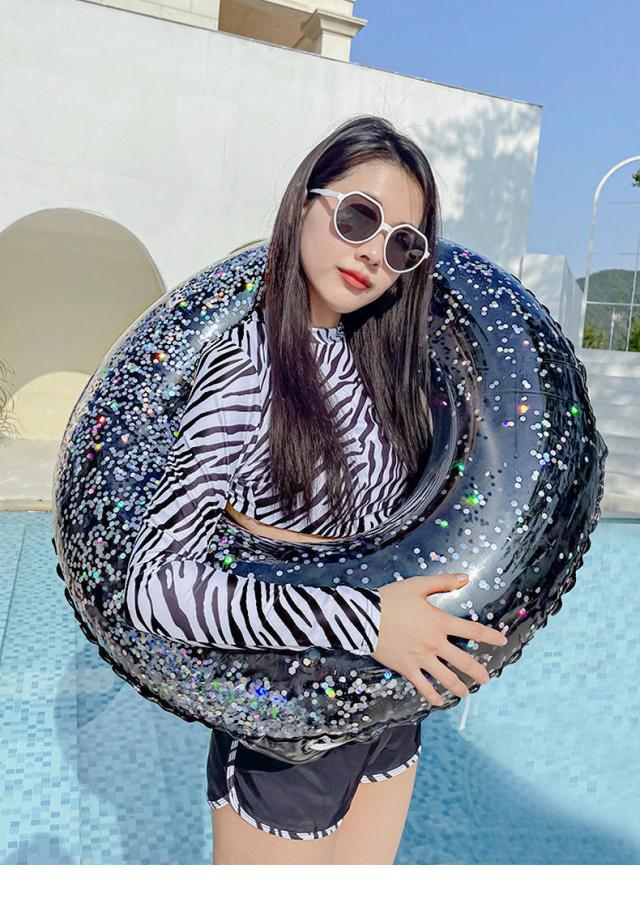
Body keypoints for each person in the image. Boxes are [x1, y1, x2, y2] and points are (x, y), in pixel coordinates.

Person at [123, 114, 507, 865]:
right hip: (289, 726)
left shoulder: (388, 373)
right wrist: (367, 622)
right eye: (358, 216)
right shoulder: (248, 368)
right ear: (305, 203)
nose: (371, 253)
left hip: (388, 713)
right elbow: (155, 583)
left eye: (401, 244)